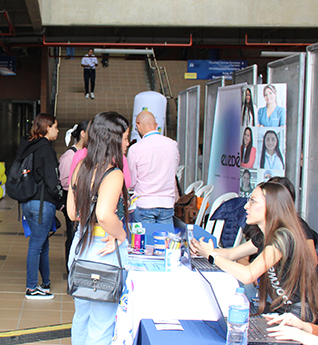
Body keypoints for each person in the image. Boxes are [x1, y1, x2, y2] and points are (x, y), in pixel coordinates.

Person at [191, 181, 318, 321]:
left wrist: (213, 255)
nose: (246, 206)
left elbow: (248, 275)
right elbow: (232, 253)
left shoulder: (283, 237)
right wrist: (203, 250)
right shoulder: (264, 234)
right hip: (281, 312)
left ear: (272, 206)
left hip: (299, 316)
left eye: (253, 201)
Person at [67, 112, 130, 345]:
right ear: (113, 139)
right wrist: (121, 234)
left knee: (81, 319)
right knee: (102, 326)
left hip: (80, 247)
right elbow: (105, 214)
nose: (127, 144)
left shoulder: (81, 167)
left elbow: (72, 213)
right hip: (103, 252)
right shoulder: (113, 173)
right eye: (126, 139)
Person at [15, 113, 63, 300]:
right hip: (42, 204)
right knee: (37, 244)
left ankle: (45, 282)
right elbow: (52, 181)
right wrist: (61, 201)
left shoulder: (28, 147)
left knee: (42, 242)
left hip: (27, 202)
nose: (57, 130)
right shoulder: (46, 150)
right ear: (47, 127)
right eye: (55, 127)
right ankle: (31, 288)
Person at [127, 110, 179, 224]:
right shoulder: (172, 144)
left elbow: (131, 181)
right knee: (164, 240)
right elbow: (173, 172)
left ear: (138, 125)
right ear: (156, 125)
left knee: (144, 240)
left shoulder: (136, 149)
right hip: (167, 203)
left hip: (144, 202)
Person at [60, 121, 88, 269]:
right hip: (71, 201)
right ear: (83, 134)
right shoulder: (69, 156)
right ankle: (71, 267)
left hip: (81, 200)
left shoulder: (85, 154)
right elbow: (64, 182)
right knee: (72, 235)